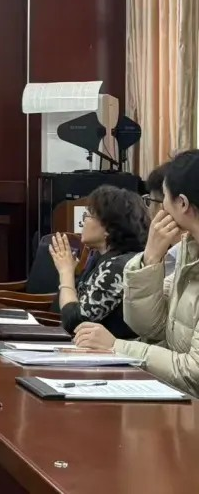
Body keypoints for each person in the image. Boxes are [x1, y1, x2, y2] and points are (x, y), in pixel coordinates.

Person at [75, 150, 199, 395]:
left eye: (162, 198)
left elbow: (193, 372)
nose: (157, 208)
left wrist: (116, 347)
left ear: (182, 204)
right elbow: (149, 327)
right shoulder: (189, 250)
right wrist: (149, 260)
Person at [48, 185, 145, 338]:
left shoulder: (117, 267)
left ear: (108, 228)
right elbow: (62, 310)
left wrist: (66, 273)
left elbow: (74, 323)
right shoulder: (100, 257)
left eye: (88, 215)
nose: (83, 222)